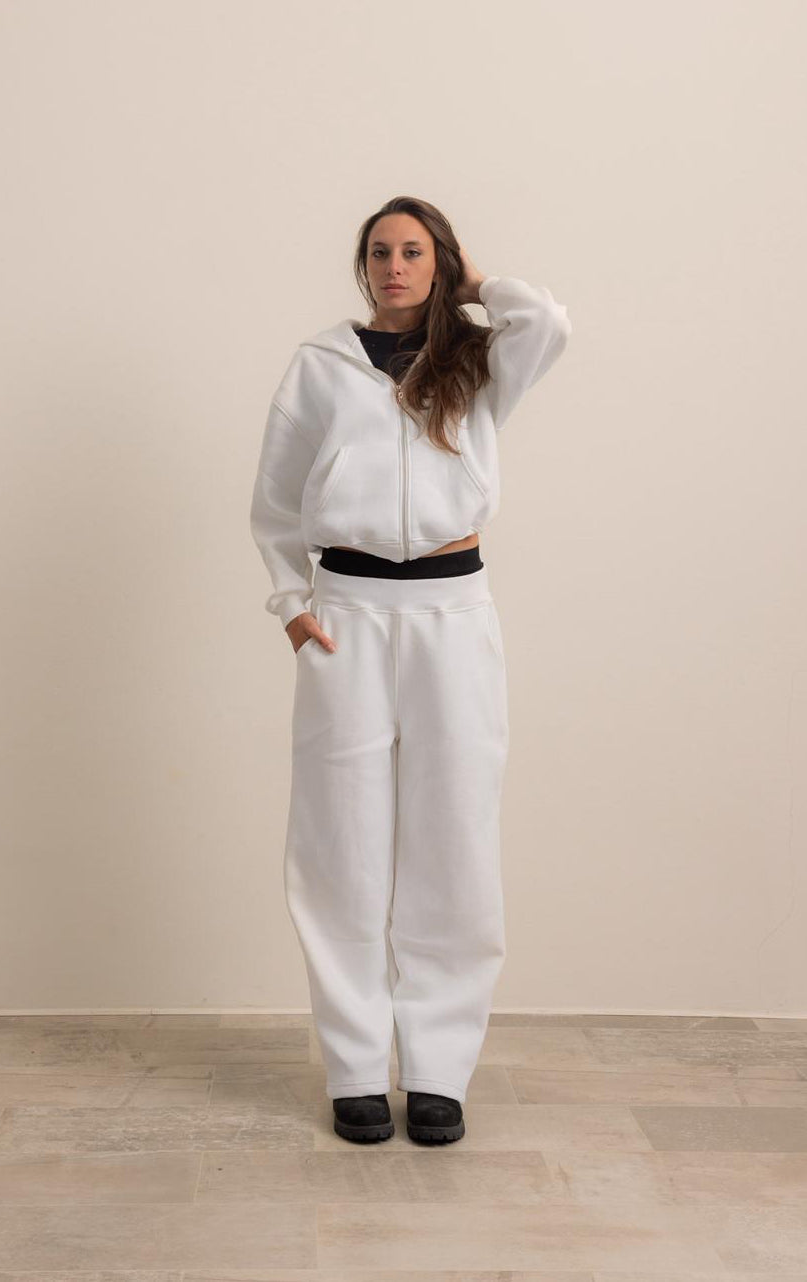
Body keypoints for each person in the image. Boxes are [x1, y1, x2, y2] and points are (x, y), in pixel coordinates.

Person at [250, 195, 571, 1145]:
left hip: (452, 616)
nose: (395, 266)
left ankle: (438, 1070)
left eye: (415, 252)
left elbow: (548, 322)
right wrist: (292, 605)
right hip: (346, 617)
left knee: (453, 835)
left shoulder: (478, 359)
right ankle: (355, 1066)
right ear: (363, 265)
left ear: (441, 263)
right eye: (381, 251)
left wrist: (475, 284)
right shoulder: (319, 365)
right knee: (339, 844)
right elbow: (275, 498)